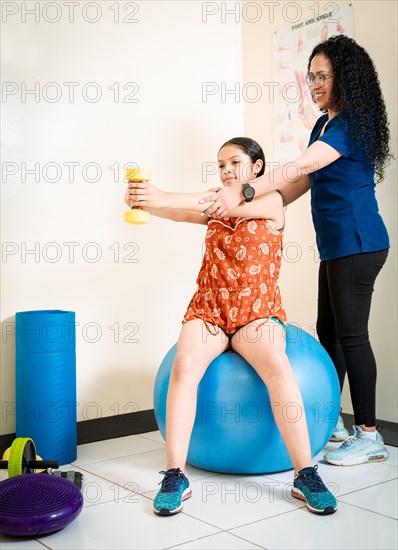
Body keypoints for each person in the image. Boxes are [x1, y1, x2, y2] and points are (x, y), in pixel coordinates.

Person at [198, 35, 392, 467]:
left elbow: (299, 166)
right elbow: (303, 183)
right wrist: (256, 206)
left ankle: (370, 434)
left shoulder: (352, 125)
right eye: (312, 77)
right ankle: (333, 420)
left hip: (360, 244)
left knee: (353, 336)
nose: (316, 84)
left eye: (323, 76)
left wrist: (245, 189)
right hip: (337, 246)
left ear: (345, 77)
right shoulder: (323, 125)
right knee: (330, 333)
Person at [125, 137, 337, 516]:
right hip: (209, 309)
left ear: (256, 167)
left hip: (256, 311)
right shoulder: (216, 205)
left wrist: (163, 194)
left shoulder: (273, 202)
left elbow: (203, 201)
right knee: (184, 367)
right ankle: (175, 473)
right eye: (221, 164)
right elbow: (181, 211)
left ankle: (305, 473)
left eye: (235, 162)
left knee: (277, 365)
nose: (226, 171)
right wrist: (145, 201)